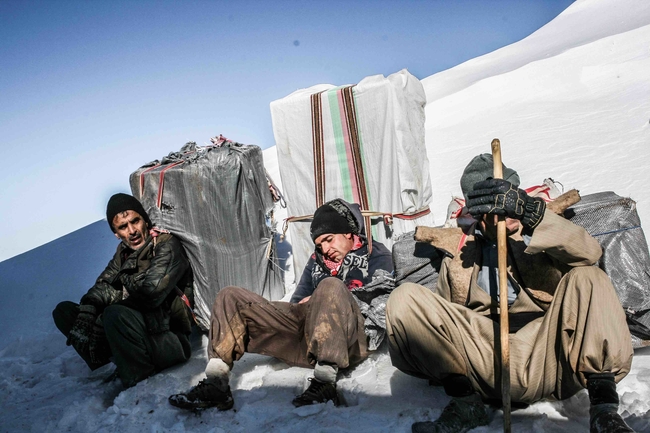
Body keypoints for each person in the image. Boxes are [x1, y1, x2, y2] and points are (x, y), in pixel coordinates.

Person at [386, 154, 635, 433]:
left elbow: (590, 253)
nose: (506, 213)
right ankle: (467, 404)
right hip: (484, 357)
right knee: (405, 298)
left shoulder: (544, 232)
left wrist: (533, 216)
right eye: (495, 205)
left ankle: (604, 412)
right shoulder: (459, 255)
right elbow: (444, 326)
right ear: (477, 210)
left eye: (511, 201)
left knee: (589, 276)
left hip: (548, 351)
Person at [168, 198, 394, 410]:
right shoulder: (317, 260)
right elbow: (297, 302)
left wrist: (328, 296)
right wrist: (301, 306)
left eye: (328, 239)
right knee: (230, 296)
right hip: (307, 336)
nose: (324, 249)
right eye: (319, 243)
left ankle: (324, 382)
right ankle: (216, 383)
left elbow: (381, 306)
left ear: (348, 232)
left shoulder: (375, 254)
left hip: (348, 341)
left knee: (331, 286)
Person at [52, 193, 194, 388]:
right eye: (123, 227)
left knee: (113, 313)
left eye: (135, 221)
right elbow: (105, 284)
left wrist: (105, 316)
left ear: (145, 220)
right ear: (116, 233)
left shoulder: (165, 245)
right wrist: (90, 308)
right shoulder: (123, 253)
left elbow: (151, 294)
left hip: (168, 338)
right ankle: (106, 363)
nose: (132, 231)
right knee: (65, 311)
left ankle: (138, 378)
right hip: (138, 333)